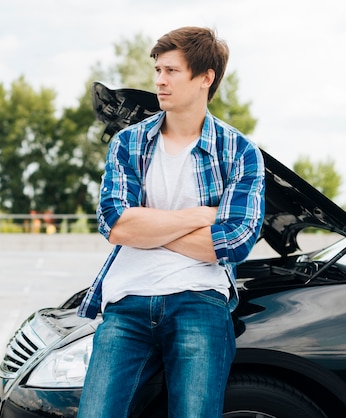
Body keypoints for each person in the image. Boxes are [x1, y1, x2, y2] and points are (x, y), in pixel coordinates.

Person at [77, 26, 265, 417]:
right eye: (158, 70)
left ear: (205, 78)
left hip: (199, 300)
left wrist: (147, 230)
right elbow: (114, 224)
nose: (159, 81)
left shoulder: (239, 152)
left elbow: (232, 242)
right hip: (127, 300)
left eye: (171, 71)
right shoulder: (128, 143)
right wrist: (196, 218)